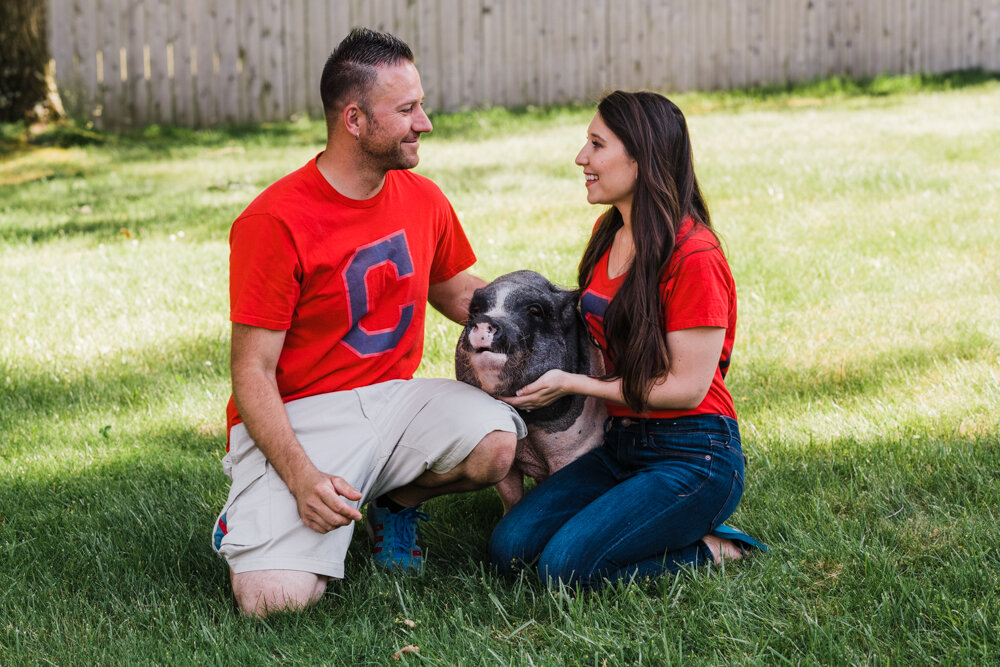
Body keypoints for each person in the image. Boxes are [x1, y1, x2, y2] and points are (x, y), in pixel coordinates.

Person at [211, 27, 526, 617]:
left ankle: (394, 500)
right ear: (354, 120)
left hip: (392, 401)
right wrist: (303, 478)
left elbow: (459, 292)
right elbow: (252, 372)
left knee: (496, 444)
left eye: (421, 104)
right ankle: (250, 512)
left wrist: (555, 313)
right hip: (302, 419)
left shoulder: (423, 197)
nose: (424, 122)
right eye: (406, 110)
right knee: (271, 603)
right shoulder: (273, 221)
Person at [489, 91, 766, 590]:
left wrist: (577, 385)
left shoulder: (694, 255)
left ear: (642, 157)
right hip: (623, 448)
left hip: (694, 453)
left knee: (565, 570)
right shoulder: (609, 230)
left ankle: (713, 548)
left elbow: (686, 389)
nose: (581, 158)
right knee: (510, 549)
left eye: (597, 145)